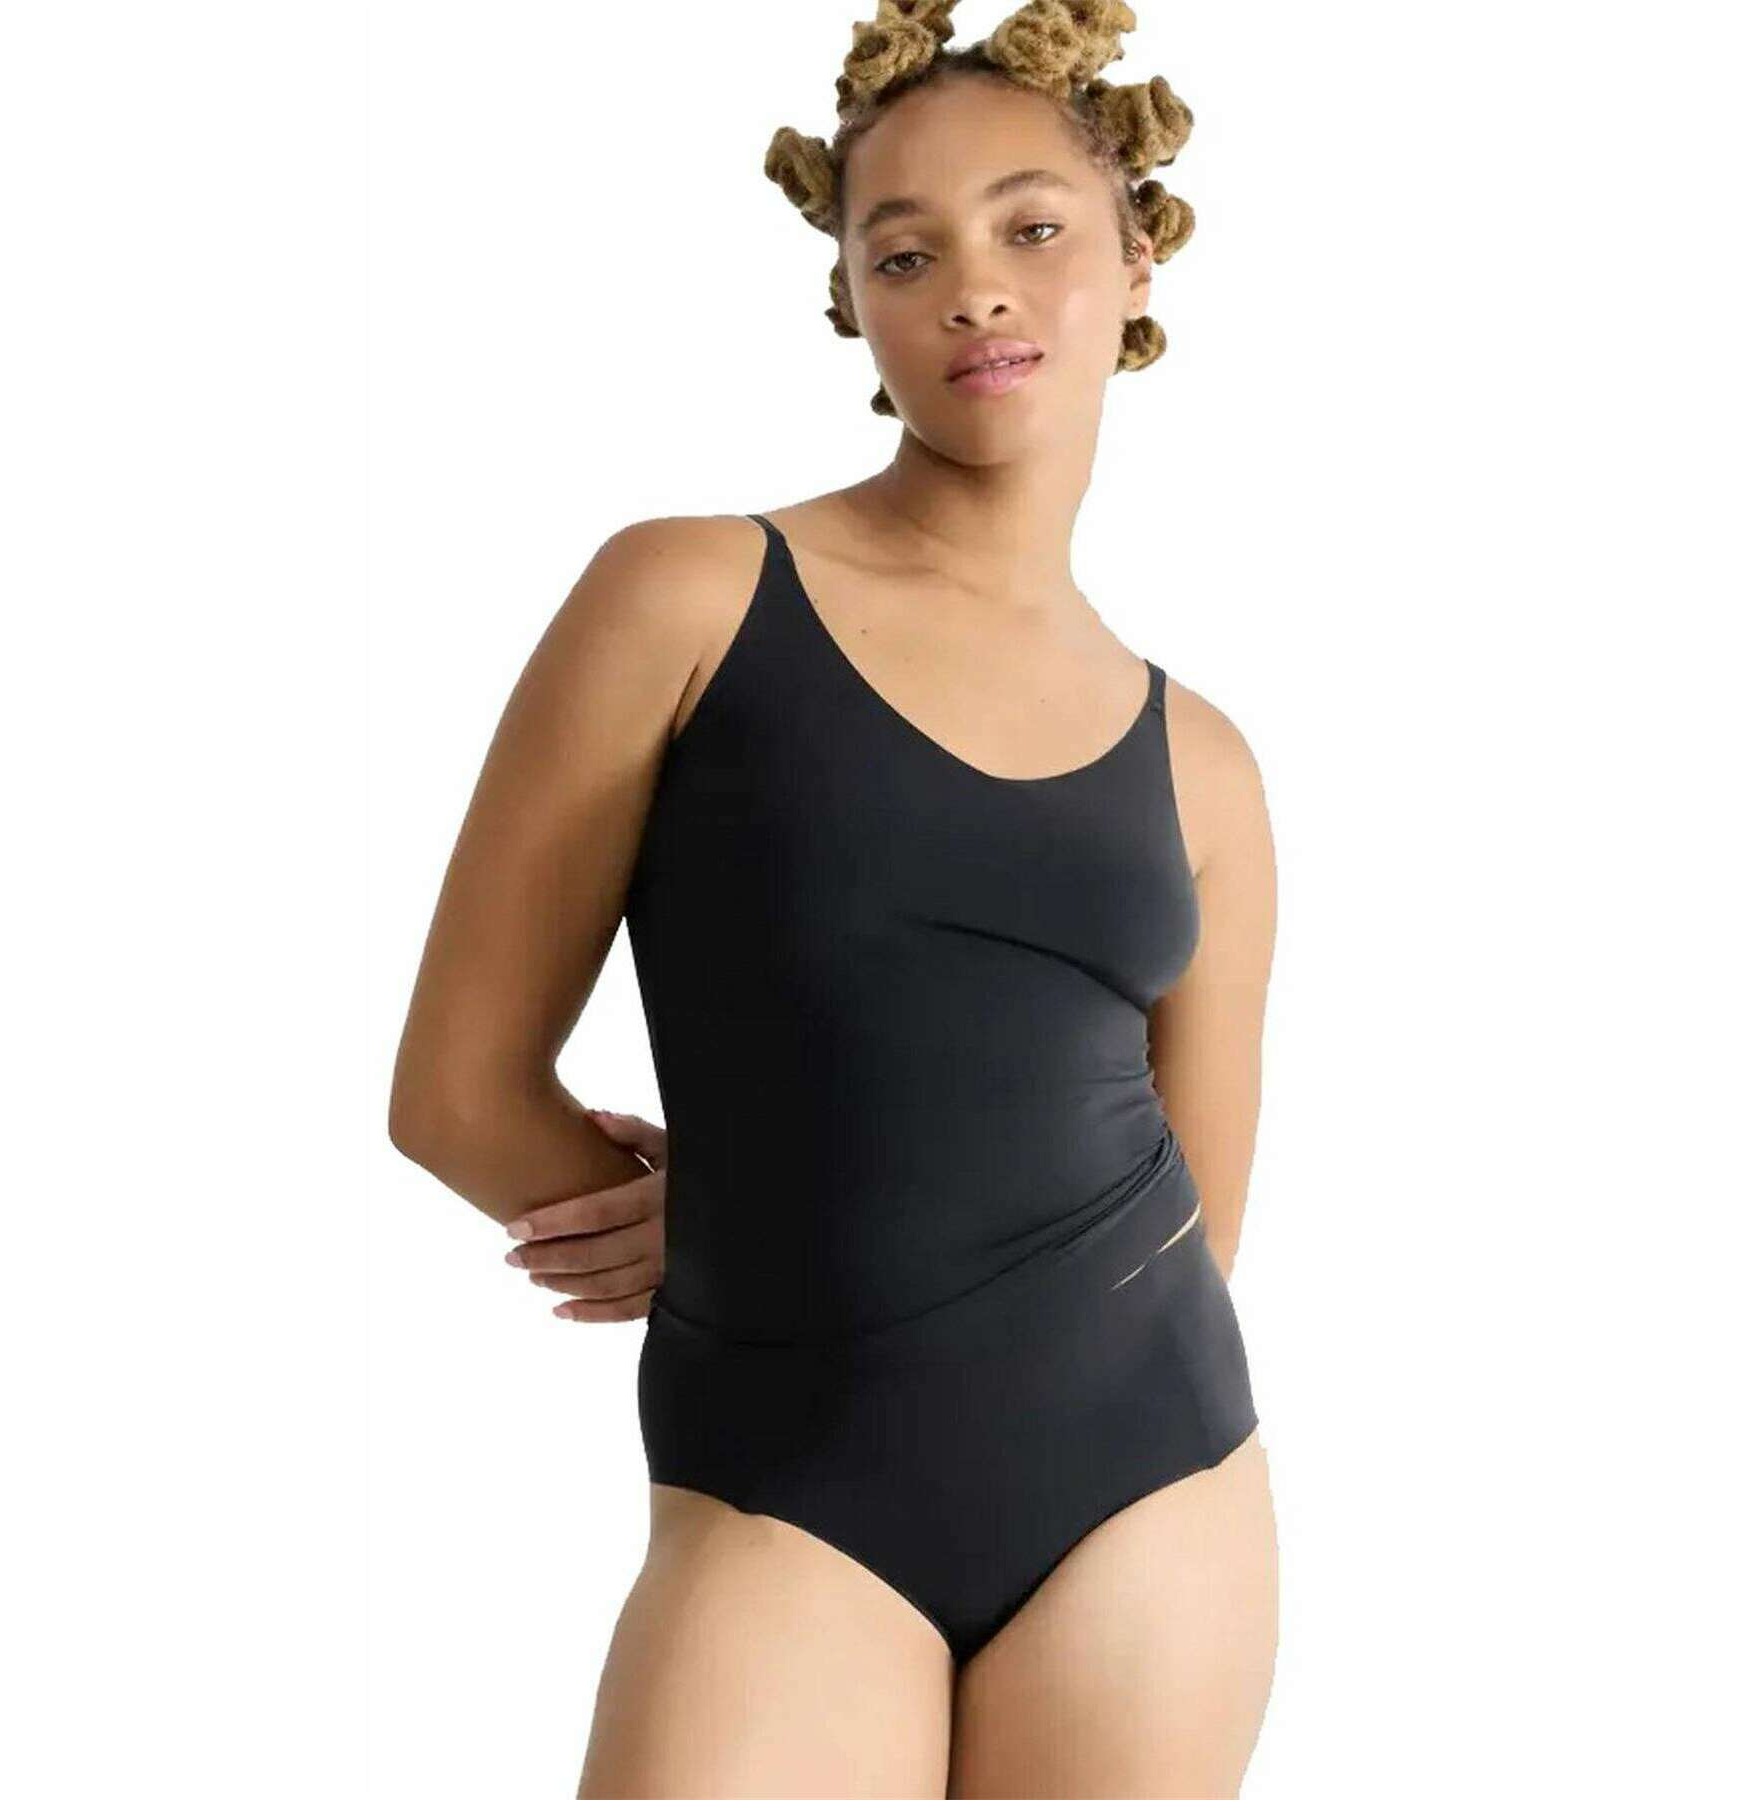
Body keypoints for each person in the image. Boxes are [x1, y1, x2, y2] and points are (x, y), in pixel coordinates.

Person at [389, 2, 1280, 1791]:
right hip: (784, 1489)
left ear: (1135, 258)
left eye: (1033, 227)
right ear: (856, 304)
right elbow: (455, 1092)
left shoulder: (1206, 766)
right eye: (906, 252)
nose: (975, 289)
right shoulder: (689, 599)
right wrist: (751, 1218)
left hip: (1155, 1495)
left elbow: (1201, 1221)